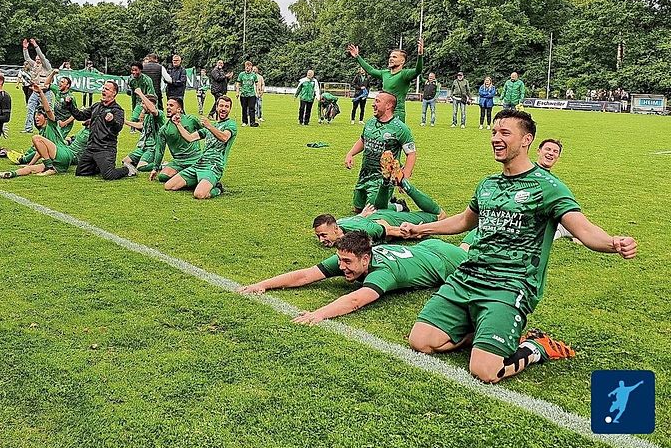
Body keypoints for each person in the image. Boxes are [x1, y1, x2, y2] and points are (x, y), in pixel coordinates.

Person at [401, 109, 637, 383]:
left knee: (485, 371)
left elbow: (583, 229)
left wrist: (612, 243)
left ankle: (537, 347)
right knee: (421, 340)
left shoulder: (548, 187)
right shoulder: (488, 184)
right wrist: (421, 229)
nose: (496, 139)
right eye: (494, 132)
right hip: (468, 278)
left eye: (505, 133)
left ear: (526, 140)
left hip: (510, 285)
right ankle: (482, 331)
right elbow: (465, 221)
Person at [239, 232, 467, 324]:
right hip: (426, 247)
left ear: (366, 259)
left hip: (448, 260)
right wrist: (263, 284)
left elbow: (356, 300)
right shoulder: (349, 257)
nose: (341, 266)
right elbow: (305, 275)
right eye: (340, 260)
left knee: (478, 250)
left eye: (347, 263)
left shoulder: (384, 273)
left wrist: (318, 314)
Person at [0, 88, 91, 179]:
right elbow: (39, 153)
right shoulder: (42, 132)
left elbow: (47, 109)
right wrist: (29, 164)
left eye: (39, 115)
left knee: (36, 138)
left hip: (63, 154)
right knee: (30, 169)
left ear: (46, 117)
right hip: (58, 162)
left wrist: (41, 93)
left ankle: (49, 167)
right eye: (35, 115)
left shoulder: (51, 124)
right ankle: (8, 174)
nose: (36, 117)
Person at [345, 92, 416, 213]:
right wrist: (350, 154)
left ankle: (400, 207)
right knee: (358, 209)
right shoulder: (370, 122)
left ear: (388, 106)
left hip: (383, 179)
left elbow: (411, 153)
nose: (373, 104)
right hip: (365, 174)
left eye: (377, 101)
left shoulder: (400, 128)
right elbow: (363, 140)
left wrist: (405, 177)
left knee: (373, 211)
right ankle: (392, 203)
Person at [163, 95, 237, 198]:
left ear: (230, 109)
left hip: (214, 166)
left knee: (199, 194)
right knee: (169, 186)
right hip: (200, 163)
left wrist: (209, 126)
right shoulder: (211, 127)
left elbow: (224, 137)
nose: (223, 109)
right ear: (216, 107)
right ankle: (201, 183)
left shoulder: (231, 124)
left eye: (226, 107)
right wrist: (178, 124)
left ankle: (218, 189)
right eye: (221, 106)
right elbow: (190, 138)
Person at [347, 40, 425, 122]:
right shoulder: (385, 73)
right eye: (390, 57)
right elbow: (370, 70)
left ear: (402, 61)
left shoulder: (404, 74)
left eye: (394, 57)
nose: (391, 59)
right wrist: (357, 56)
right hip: (383, 112)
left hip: (397, 113)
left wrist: (420, 55)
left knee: (394, 135)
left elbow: (418, 70)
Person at [68, 81, 129, 179]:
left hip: (105, 148)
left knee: (109, 176)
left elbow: (118, 127)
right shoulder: (96, 106)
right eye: (103, 88)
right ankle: (99, 166)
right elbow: (81, 116)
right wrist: (70, 105)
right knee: (80, 172)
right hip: (91, 147)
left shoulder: (117, 110)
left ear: (114, 93)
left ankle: (127, 169)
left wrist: (112, 121)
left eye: (107, 89)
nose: (103, 90)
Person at [146, 94, 203, 184]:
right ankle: (187, 176)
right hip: (179, 161)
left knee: (201, 176)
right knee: (162, 176)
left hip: (195, 157)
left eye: (171, 105)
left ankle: (186, 177)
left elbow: (205, 132)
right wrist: (155, 168)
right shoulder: (164, 129)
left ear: (179, 109)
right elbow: (159, 150)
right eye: (167, 105)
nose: (168, 107)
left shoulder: (191, 120)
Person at [121, 91, 161, 175]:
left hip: (152, 148)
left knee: (141, 167)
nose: (141, 105)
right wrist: (125, 122)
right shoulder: (148, 116)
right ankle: (144, 160)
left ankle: (162, 165)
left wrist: (140, 93)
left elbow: (153, 110)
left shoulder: (158, 114)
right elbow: (141, 126)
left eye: (143, 103)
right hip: (143, 147)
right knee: (125, 161)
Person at [22, 38, 53, 131]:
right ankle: (28, 128)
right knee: (30, 108)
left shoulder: (47, 66)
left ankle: (50, 128)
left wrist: (35, 46)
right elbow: (27, 59)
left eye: (39, 59)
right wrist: (25, 49)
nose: (37, 60)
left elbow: (42, 56)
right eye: (36, 59)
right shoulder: (35, 65)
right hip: (36, 92)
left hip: (45, 92)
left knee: (48, 111)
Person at [237, 61, 259, 127]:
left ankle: (252, 122)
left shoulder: (254, 75)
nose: (247, 67)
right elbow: (238, 83)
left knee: (252, 108)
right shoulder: (241, 74)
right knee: (244, 108)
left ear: (251, 67)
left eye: (249, 66)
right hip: (243, 94)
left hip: (251, 94)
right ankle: (244, 122)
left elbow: (257, 84)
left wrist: (257, 92)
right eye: (246, 66)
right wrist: (237, 92)